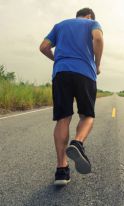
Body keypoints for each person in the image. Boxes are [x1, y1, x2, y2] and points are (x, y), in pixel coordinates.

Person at [39, 8, 103, 186]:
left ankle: (61, 170)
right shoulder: (92, 24)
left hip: (61, 73)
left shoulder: (60, 26)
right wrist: (97, 65)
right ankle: (78, 143)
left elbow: (43, 47)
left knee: (63, 119)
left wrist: (58, 59)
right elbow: (98, 38)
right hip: (85, 74)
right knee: (87, 115)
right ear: (89, 16)